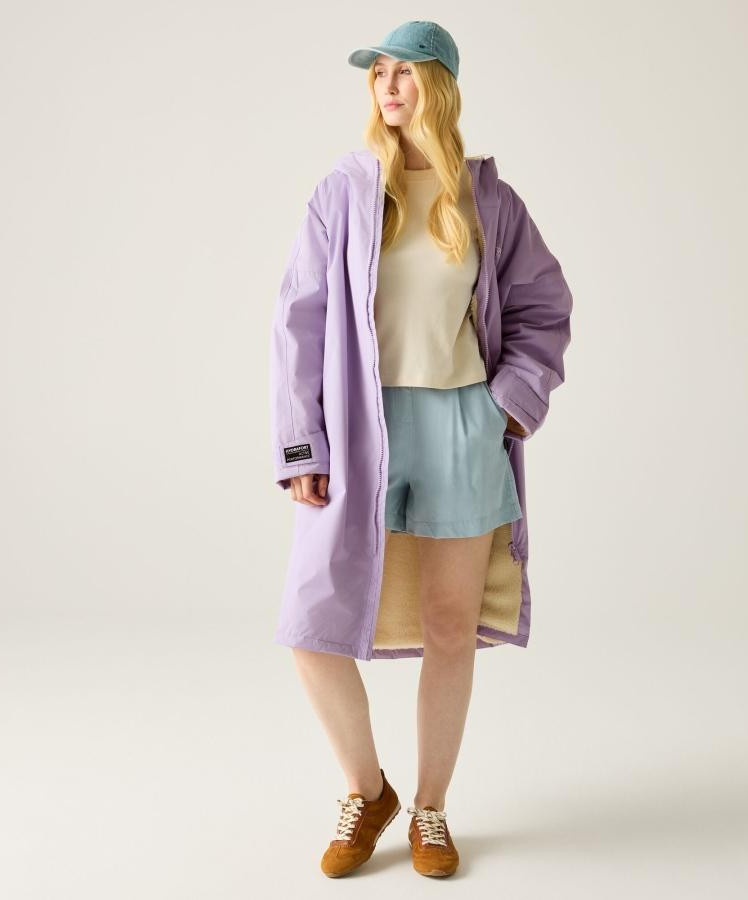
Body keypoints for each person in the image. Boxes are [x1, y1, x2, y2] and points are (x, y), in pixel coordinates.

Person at [269, 20, 573, 879]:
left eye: (405, 72)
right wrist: (303, 445)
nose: (389, 86)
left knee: (449, 626)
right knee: (311, 627)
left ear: (439, 84)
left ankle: (431, 810)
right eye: (379, 74)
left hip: (462, 428)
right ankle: (367, 792)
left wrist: (506, 406)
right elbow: (297, 321)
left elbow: (545, 308)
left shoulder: (487, 201)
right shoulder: (343, 193)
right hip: (362, 430)